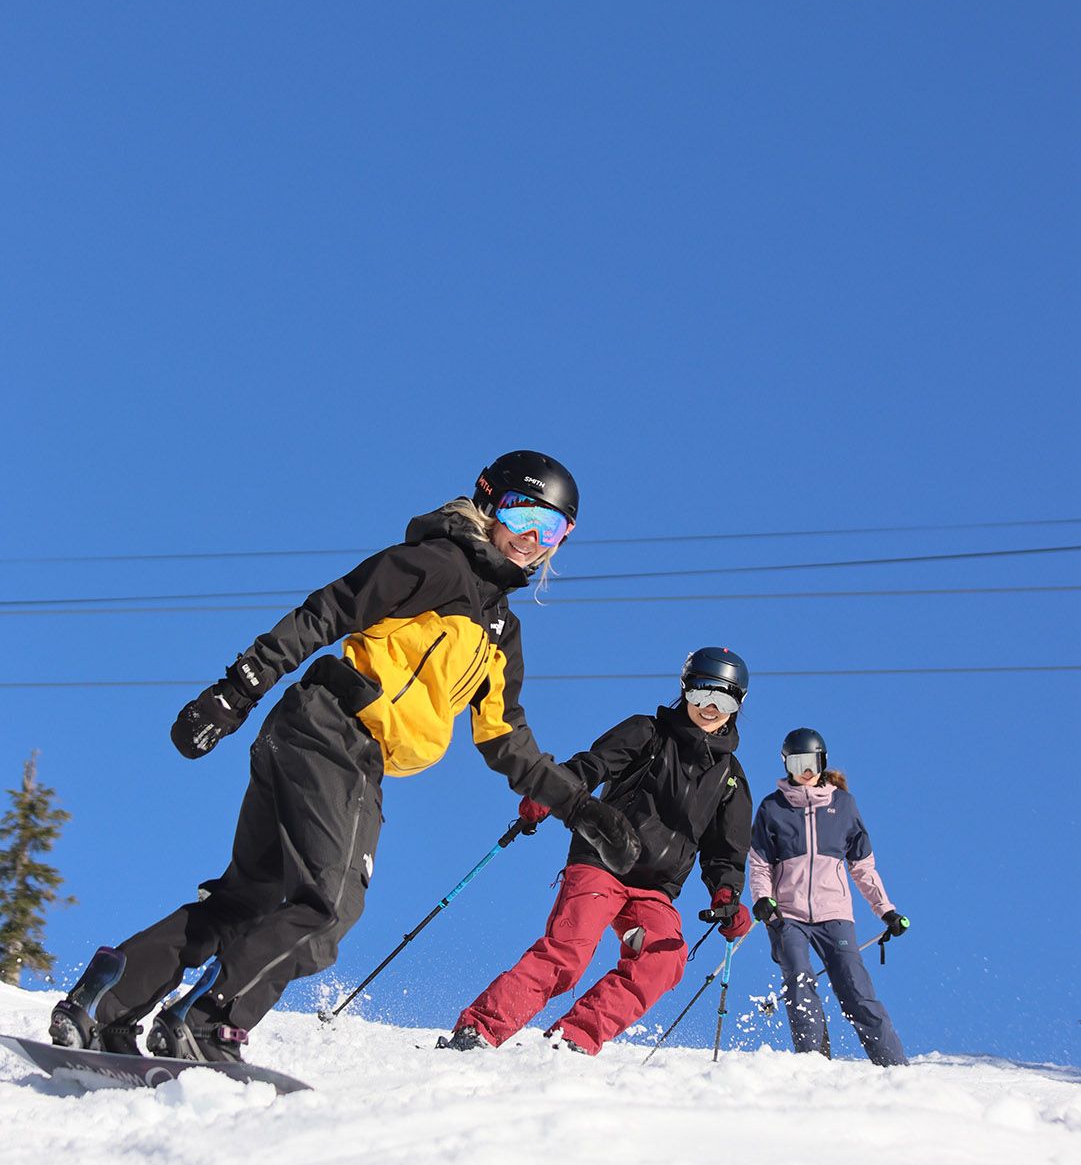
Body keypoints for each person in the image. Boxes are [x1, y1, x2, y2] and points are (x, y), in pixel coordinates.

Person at [49, 451, 640, 1062]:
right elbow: (327, 611)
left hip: (325, 743)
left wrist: (580, 808)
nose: (532, 540)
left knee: (245, 900)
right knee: (327, 907)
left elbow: (505, 740)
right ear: (489, 504)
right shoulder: (437, 563)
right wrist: (236, 691)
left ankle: (105, 1000)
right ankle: (209, 1022)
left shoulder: (500, 634)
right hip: (337, 737)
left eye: (552, 529)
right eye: (523, 516)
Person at [440, 646, 754, 1056]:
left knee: (665, 959)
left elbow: (726, 851)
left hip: (655, 890)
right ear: (685, 690)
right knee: (568, 954)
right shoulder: (648, 733)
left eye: (724, 699)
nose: (710, 707)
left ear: (738, 705)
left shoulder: (731, 779)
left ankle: (573, 1037)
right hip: (602, 862)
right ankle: (480, 1029)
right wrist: (550, 792)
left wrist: (726, 894)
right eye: (702, 693)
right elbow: (593, 765)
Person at [748, 727, 910, 1067]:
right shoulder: (772, 808)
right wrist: (763, 898)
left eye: (813, 762)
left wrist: (887, 911)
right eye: (798, 763)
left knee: (855, 989)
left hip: (834, 914)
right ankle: (814, 1062)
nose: (806, 771)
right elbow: (760, 863)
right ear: (786, 764)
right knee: (798, 979)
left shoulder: (844, 805)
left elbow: (863, 867)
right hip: (787, 915)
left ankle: (894, 1066)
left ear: (823, 762)